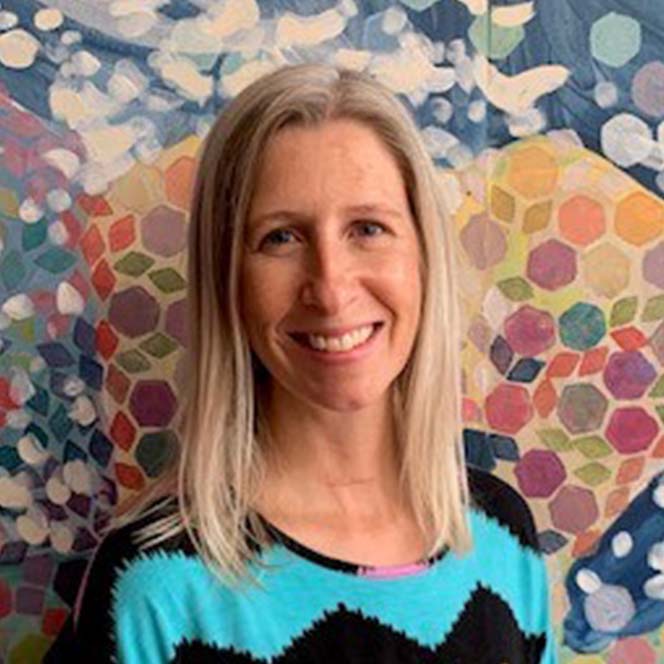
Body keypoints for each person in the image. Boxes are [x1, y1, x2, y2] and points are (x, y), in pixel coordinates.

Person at [44, 63, 556, 663]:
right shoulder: (157, 583)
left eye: (368, 228)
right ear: (228, 278)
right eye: (281, 237)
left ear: (424, 257)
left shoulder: (501, 538)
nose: (332, 289)